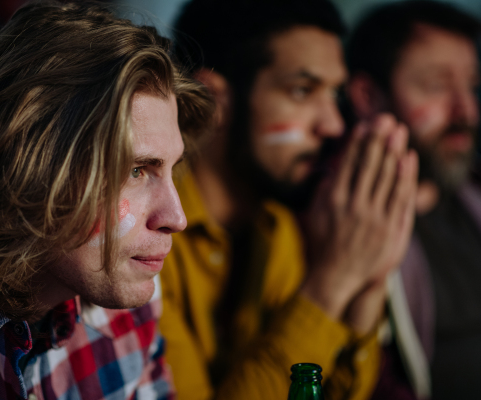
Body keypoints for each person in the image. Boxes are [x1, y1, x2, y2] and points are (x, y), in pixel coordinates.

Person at [0, 1, 212, 398]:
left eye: (172, 169)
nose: (176, 217)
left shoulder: (129, 295)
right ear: (27, 167)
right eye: (136, 170)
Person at [159, 0, 419, 399]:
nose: (333, 125)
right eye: (302, 91)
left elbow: (337, 392)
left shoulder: (277, 227)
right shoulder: (147, 241)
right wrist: (333, 282)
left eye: (333, 94)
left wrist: (370, 279)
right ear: (214, 100)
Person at [347, 1, 481, 399]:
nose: (465, 110)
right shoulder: (341, 223)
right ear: (369, 96)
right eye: (437, 85)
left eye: (471, 85)